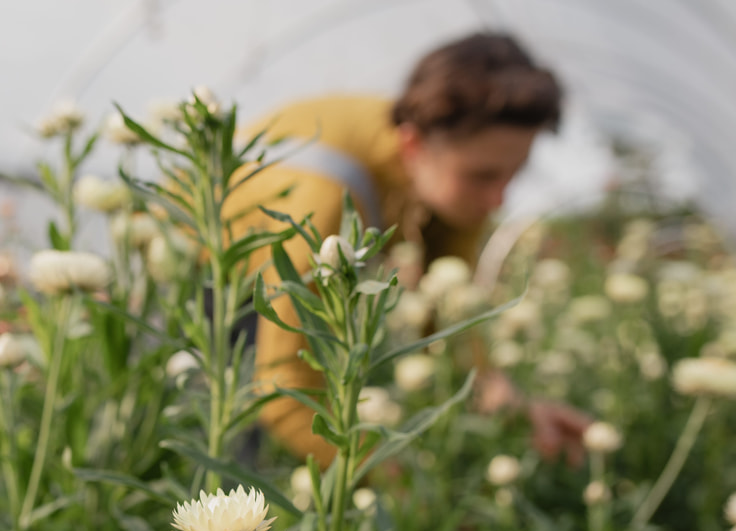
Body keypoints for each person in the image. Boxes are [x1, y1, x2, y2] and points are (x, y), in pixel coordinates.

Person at [236, 32, 587, 464]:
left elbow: (447, 319)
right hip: (203, 289)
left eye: (513, 175)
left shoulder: (447, 185)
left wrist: (511, 406)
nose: (499, 199)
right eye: (482, 176)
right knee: (232, 453)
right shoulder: (326, 197)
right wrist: (394, 483)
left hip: (278, 284)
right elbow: (283, 389)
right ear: (412, 145)